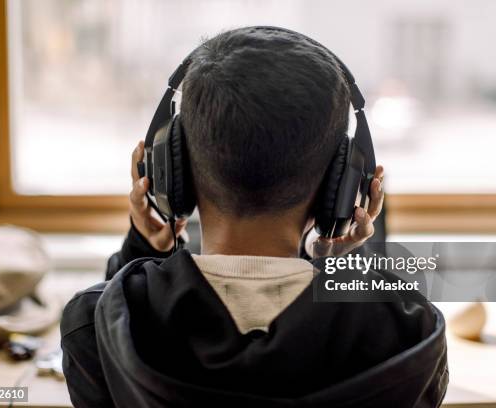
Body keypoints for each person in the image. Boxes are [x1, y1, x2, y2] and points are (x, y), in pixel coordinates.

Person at [61, 27, 447, 408]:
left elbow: (117, 323)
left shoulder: (91, 328)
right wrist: (338, 265)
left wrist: (142, 249)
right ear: (343, 186)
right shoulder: (407, 334)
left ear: (169, 173)